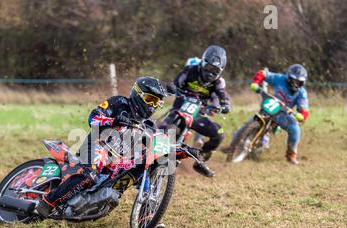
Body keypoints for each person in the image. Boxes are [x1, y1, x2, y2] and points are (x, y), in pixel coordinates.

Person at [36, 76, 200, 218]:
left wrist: (182, 149)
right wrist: (115, 120)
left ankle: (148, 215)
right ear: (139, 94)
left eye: (158, 103)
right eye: (151, 100)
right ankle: (48, 202)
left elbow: (160, 143)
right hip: (97, 145)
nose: (153, 106)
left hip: (116, 161)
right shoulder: (119, 103)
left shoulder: (148, 125)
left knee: (143, 171)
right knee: (90, 175)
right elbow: (93, 118)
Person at [164, 45, 232, 177]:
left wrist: (225, 105)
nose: (211, 73)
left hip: (198, 113)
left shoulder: (219, 82)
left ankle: (200, 158)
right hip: (179, 108)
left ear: (220, 71)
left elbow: (223, 96)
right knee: (163, 126)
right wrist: (172, 88)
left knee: (219, 134)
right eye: (209, 68)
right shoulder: (190, 70)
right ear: (202, 62)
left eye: (215, 70)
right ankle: (147, 150)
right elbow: (175, 83)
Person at [250, 64, 309, 164]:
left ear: (303, 82)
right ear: (289, 78)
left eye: (299, 82)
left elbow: (304, 108)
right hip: (269, 106)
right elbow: (263, 73)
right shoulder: (280, 79)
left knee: (295, 128)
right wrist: (256, 83)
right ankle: (233, 145)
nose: (296, 84)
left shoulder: (302, 93)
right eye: (294, 80)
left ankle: (291, 154)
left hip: (284, 114)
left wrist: (302, 116)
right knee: (251, 121)